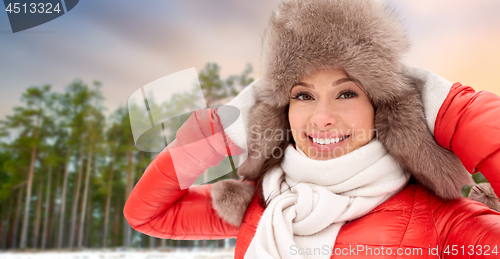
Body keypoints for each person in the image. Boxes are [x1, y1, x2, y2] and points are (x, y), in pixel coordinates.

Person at [124, 0, 500, 258]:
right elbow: (147, 214)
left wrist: (457, 111)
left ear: (382, 107)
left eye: (346, 93)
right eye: (303, 96)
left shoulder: (444, 220)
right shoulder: (261, 203)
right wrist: (221, 128)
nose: (321, 117)